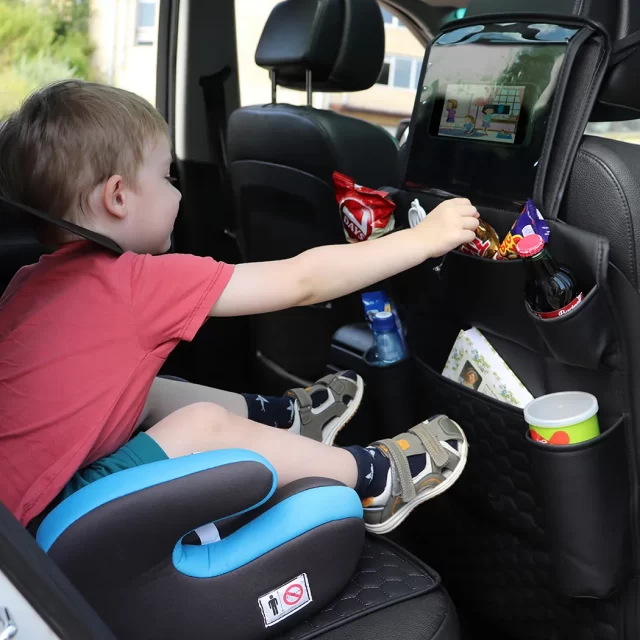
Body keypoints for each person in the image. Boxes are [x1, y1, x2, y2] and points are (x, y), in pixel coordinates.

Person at [0, 81, 480, 536]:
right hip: (47, 526)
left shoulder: (28, 283)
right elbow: (302, 281)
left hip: (19, 521)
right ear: (118, 197)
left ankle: (282, 420)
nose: (179, 191)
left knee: (145, 390)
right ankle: (375, 481)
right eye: (168, 177)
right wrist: (422, 239)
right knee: (200, 427)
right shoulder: (131, 282)